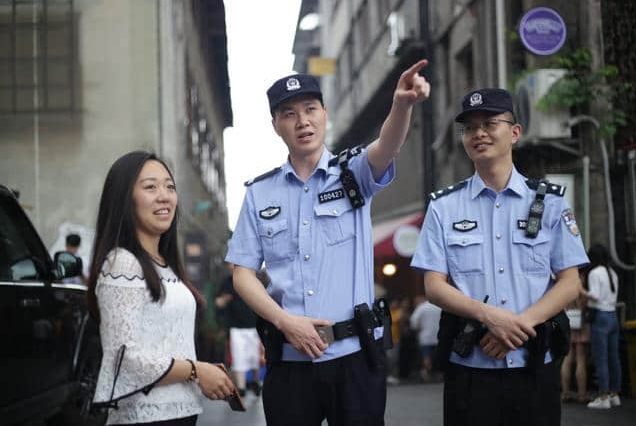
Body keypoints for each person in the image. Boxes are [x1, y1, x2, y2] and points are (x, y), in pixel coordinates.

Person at [225, 60, 430, 425]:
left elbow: (387, 146)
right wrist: (286, 322)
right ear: (276, 125)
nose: (302, 121)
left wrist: (402, 104)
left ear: (324, 114)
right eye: (289, 114)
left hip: (353, 357)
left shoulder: (354, 173)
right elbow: (242, 273)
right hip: (289, 363)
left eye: (310, 109)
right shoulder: (259, 193)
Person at [410, 88, 589, 426]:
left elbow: (569, 283)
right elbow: (434, 286)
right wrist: (489, 316)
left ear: (515, 132)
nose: (479, 133)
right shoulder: (444, 206)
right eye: (469, 127)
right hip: (470, 372)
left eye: (490, 123)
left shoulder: (549, 203)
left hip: (535, 366)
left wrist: (518, 325)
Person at [88, 151, 235, 426]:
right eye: (150, 187)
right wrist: (196, 370)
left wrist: (200, 372)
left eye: (170, 186)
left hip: (181, 412)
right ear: (125, 199)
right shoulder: (123, 262)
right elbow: (124, 357)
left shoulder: (165, 266)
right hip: (144, 417)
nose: (164, 196)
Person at [215, 262, 263, 397]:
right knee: (238, 357)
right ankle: (241, 387)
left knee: (255, 356)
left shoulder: (254, 280)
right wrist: (223, 301)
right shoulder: (227, 282)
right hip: (235, 327)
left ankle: (255, 381)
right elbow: (218, 303)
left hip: (253, 326)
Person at [584, 244, 622, 409]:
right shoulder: (612, 272)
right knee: (614, 357)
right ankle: (615, 395)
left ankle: (603, 396)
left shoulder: (594, 273)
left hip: (600, 317)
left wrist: (579, 290)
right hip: (613, 316)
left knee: (600, 358)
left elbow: (595, 297)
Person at [560, 267, 591, 403]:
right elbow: (584, 304)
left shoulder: (565, 286)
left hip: (568, 323)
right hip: (580, 325)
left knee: (567, 359)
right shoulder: (580, 288)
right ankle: (582, 394)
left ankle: (566, 392)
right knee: (581, 359)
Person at [410, 294, 442, 382]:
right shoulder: (440, 306)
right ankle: (439, 374)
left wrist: (417, 328)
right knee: (438, 356)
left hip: (425, 337)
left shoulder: (422, 307)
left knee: (426, 357)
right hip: (439, 336)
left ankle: (426, 374)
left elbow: (413, 321)